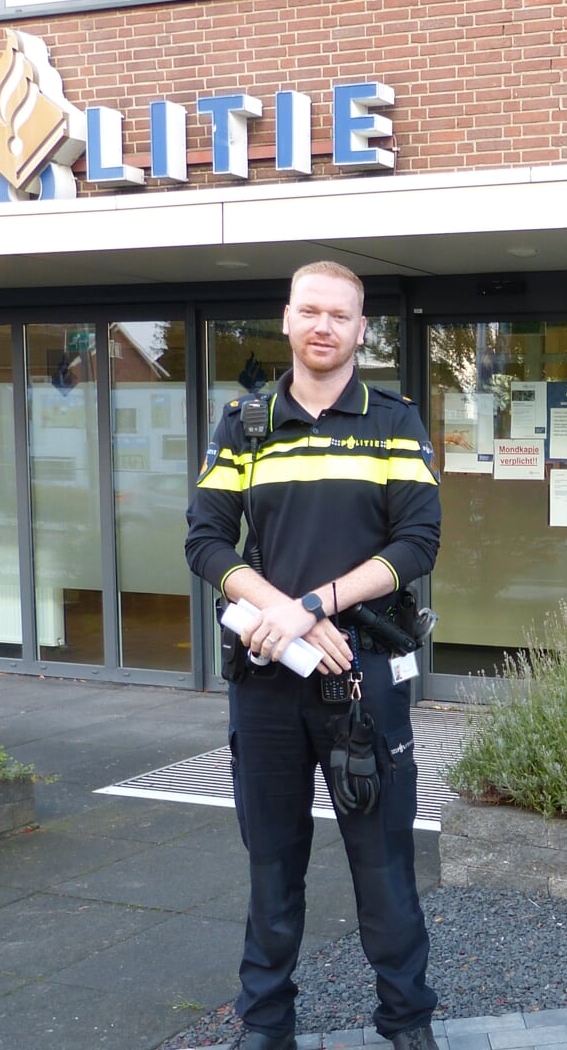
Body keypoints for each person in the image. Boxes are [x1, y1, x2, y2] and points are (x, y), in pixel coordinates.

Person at [186, 261, 442, 1050]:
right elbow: (204, 540)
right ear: (287, 319)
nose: (324, 325)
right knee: (272, 868)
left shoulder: (394, 422)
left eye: (340, 314)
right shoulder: (245, 423)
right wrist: (276, 614)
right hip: (267, 681)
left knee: (385, 869)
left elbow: (417, 542)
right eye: (310, 311)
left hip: (361, 676)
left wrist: (310, 607)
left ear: (363, 329)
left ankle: (406, 1024)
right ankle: (266, 1028)